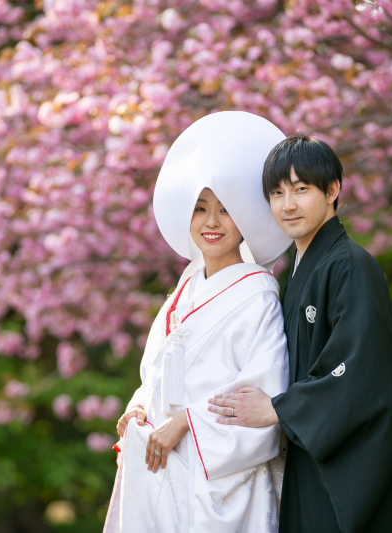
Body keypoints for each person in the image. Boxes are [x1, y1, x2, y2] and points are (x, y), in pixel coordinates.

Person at [207, 135, 392, 532]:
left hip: (343, 466)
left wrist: (279, 410)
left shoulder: (351, 265)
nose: (288, 204)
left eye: (301, 189)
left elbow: (360, 369)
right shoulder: (299, 270)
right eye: (278, 193)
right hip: (309, 454)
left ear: (332, 190)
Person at [103, 112, 293, 533]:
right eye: (201, 208)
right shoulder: (186, 285)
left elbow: (264, 391)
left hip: (218, 477)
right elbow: (157, 367)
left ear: (244, 218)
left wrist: (187, 423)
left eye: (226, 210)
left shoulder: (258, 294)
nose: (211, 222)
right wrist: (140, 405)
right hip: (162, 465)